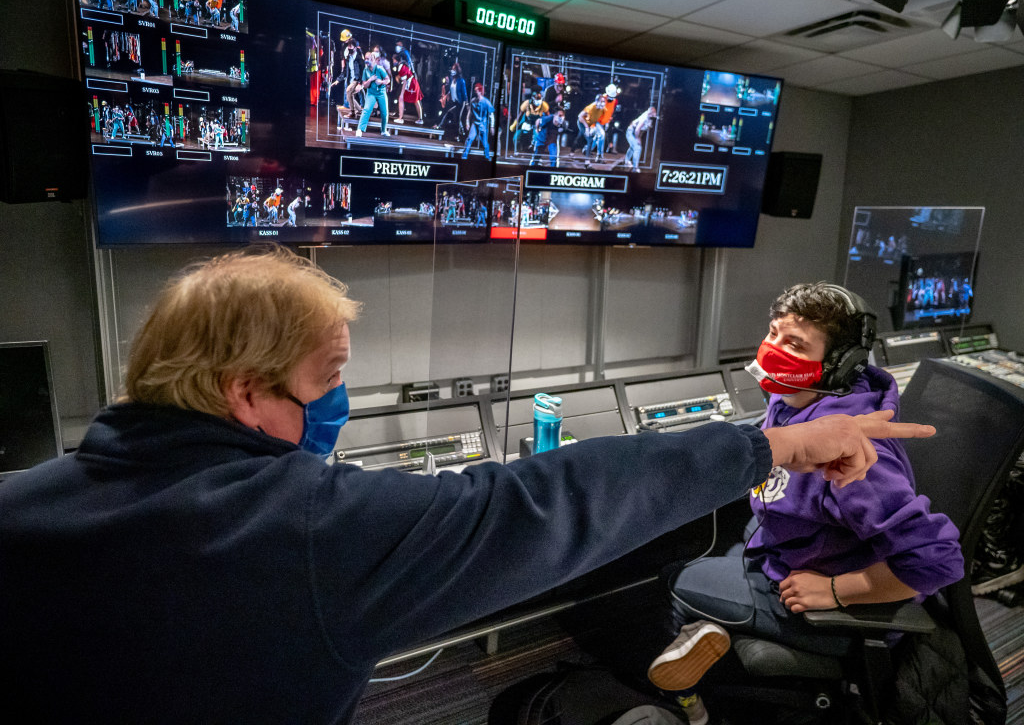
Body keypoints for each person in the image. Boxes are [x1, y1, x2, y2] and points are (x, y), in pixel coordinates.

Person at [0, 250, 936, 723]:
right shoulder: (309, 530)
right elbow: (542, 501)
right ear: (246, 395)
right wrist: (769, 447)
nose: (335, 407)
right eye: (326, 383)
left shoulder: (21, 501)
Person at [645, 282, 963, 725]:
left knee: (676, 579)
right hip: (781, 550)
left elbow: (937, 561)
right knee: (711, 552)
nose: (774, 349)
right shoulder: (792, 394)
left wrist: (834, 591)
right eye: (774, 333)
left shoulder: (856, 459)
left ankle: (692, 709)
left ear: (838, 364)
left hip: (826, 606)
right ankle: (714, 635)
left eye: (794, 343)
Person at [355, 49, 390, 137]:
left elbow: (388, 80)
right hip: (371, 93)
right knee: (366, 110)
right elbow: (365, 85)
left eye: (369, 59)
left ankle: (383, 130)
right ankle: (360, 129)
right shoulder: (365, 70)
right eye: (366, 59)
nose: (366, 61)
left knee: (384, 112)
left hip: (381, 93)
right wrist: (370, 80)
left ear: (373, 60)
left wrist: (381, 82)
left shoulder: (380, 69)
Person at [462, 82, 494, 160]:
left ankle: (487, 156)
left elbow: (491, 115)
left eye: (477, 90)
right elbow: (470, 112)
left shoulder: (486, 102)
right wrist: (467, 122)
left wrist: (492, 126)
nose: (475, 91)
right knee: (470, 139)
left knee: (485, 142)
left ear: (480, 91)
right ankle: (465, 155)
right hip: (475, 123)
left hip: (483, 124)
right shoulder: (473, 101)